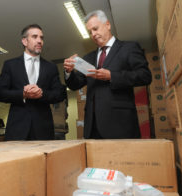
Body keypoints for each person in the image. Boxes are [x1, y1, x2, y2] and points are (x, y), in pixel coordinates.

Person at [64, 10, 152, 139]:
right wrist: (68, 72)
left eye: (95, 29)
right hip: (93, 126)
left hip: (120, 123)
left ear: (108, 25)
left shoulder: (129, 48)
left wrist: (112, 76)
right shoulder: (88, 57)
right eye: (90, 32)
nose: (93, 34)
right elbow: (75, 84)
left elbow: (145, 75)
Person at [0, 24, 66, 141]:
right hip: (17, 129)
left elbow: (59, 94)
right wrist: (22, 94)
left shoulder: (51, 67)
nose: (39, 41)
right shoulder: (10, 65)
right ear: (24, 41)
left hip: (43, 130)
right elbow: (0, 94)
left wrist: (42, 94)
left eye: (41, 38)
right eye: (34, 37)